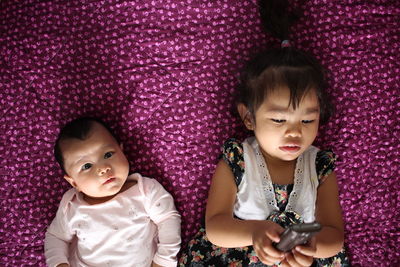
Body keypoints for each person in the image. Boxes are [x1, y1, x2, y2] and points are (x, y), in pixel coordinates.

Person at [179, 0, 349, 266]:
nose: (294, 132)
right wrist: (253, 231)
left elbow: (334, 235)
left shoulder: (320, 166)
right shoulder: (238, 160)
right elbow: (215, 227)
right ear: (248, 117)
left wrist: (314, 248)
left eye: (307, 120)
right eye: (279, 119)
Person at [44, 117, 181, 267]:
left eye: (108, 155)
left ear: (122, 151)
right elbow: (56, 237)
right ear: (74, 182)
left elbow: (168, 219)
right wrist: (59, 264)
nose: (103, 168)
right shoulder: (71, 206)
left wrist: (164, 260)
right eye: (87, 166)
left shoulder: (145, 190)